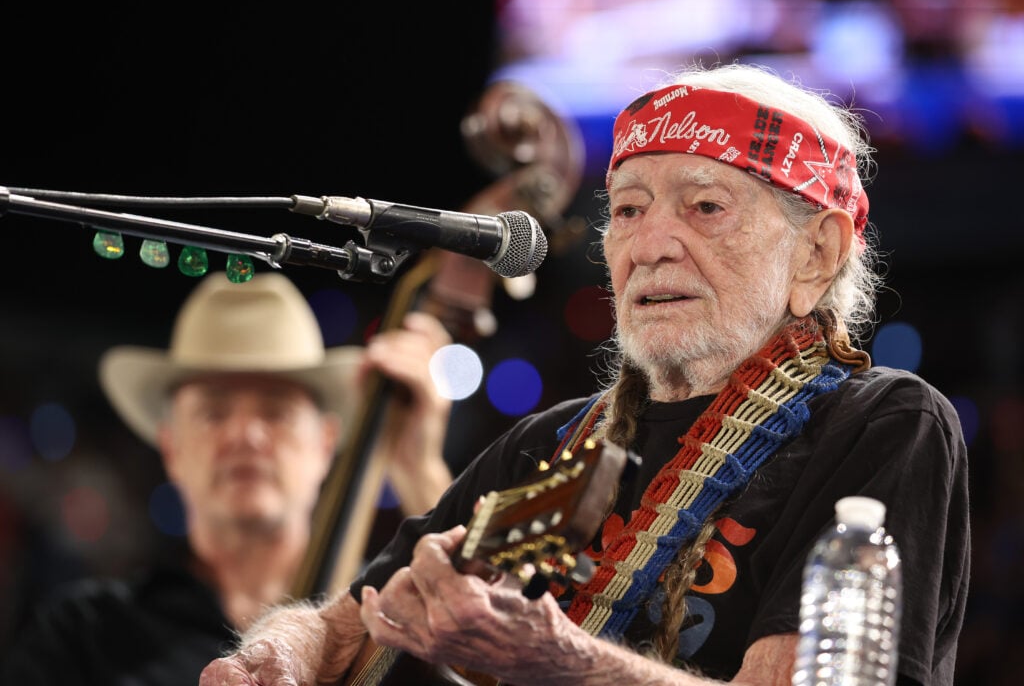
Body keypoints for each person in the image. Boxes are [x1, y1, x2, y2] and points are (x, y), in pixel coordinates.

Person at [200, 62, 971, 685]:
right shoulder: (545, 444)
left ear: (817, 254)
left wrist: (563, 663)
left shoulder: (885, 426)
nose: (650, 245)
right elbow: (341, 626)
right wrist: (278, 653)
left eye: (705, 207)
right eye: (628, 210)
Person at [0, 271, 455, 685]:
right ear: (172, 447)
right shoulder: (83, 635)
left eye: (276, 411)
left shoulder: (388, 622)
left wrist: (421, 469)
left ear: (324, 443)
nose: (246, 435)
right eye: (213, 413)